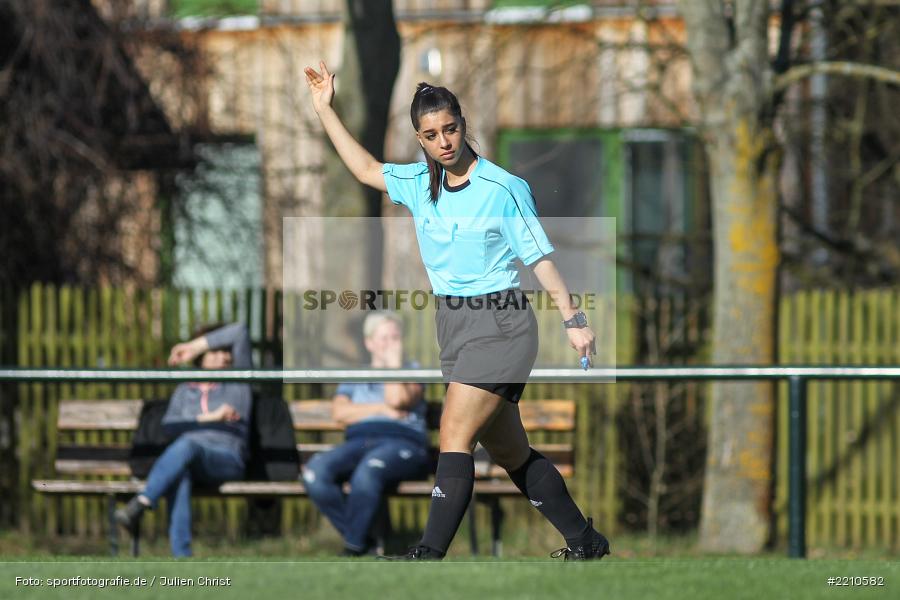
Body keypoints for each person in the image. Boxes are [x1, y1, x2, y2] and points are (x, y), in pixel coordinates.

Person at [303, 61, 609, 561]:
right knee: (511, 452)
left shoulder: (503, 188)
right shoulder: (418, 184)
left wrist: (574, 321)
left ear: (463, 125)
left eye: (450, 129)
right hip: (454, 325)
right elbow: (365, 169)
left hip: (502, 324)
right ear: (419, 140)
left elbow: (540, 260)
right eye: (431, 135)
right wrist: (324, 109)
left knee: (454, 433)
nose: (443, 141)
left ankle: (429, 554)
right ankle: (585, 541)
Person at [115, 322, 253, 557]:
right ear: (201, 359)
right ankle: (182, 557)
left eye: (226, 351)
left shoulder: (237, 381)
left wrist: (193, 346)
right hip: (189, 458)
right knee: (180, 472)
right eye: (216, 351)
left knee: (187, 445)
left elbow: (240, 331)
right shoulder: (184, 390)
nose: (225, 357)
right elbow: (169, 426)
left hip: (227, 458)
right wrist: (209, 418)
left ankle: (143, 501)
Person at [302, 311, 430, 556]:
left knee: (368, 471)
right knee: (314, 473)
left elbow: (398, 400)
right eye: (384, 338)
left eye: (395, 337)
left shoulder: (412, 370)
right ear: (369, 343)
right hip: (360, 442)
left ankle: (353, 548)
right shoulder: (356, 374)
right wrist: (380, 409)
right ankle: (364, 541)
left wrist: (394, 365)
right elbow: (340, 412)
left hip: (403, 443)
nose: (391, 344)